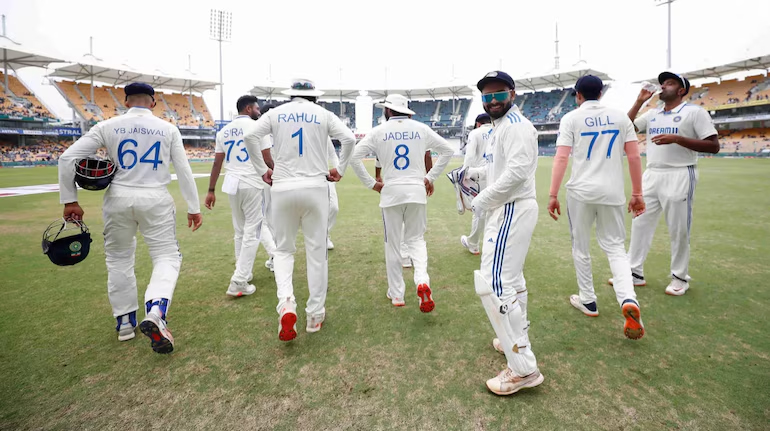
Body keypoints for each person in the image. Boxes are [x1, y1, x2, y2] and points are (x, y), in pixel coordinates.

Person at [57, 82, 202, 354]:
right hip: (155, 198)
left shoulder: (107, 125)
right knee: (166, 256)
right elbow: (183, 170)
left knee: (119, 258)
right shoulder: (168, 129)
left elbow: (66, 158)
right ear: (153, 102)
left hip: (118, 197)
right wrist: (194, 207)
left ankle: (125, 323)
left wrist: (70, 200)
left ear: (125, 102)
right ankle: (156, 311)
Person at [243, 78, 356, 341]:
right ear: (315, 96)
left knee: (283, 250)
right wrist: (340, 169)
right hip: (316, 187)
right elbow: (349, 139)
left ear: (290, 95)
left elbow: (250, 136)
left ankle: (286, 303)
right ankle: (315, 315)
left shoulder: (276, 113)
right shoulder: (323, 113)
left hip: (282, 187)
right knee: (317, 253)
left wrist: (262, 170)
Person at [547, 75, 646, 340]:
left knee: (580, 246)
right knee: (615, 247)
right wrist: (637, 193)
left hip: (580, 192)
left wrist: (553, 194)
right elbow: (634, 156)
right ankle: (628, 298)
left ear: (578, 95)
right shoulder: (620, 117)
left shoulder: (571, 118)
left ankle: (588, 300)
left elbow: (561, 158)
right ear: (601, 93)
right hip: (612, 192)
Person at [470, 71, 543, 395]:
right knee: (512, 281)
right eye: (487, 96)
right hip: (508, 207)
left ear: (512, 94)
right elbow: (499, 169)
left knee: (494, 283)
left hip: (512, 207)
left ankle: (523, 367)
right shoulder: (499, 127)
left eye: (499, 93)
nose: (493, 100)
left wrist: (481, 200)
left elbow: (517, 173)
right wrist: (471, 175)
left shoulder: (515, 126)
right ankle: (514, 340)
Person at [619, 71, 720, 296]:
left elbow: (714, 146)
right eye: (662, 83)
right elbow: (626, 128)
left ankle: (679, 277)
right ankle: (634, 272)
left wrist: (677, 139)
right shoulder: (652, 113)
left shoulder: (694, 112)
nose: (663, 86)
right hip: (652, 173)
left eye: (670, 83)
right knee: (640, 222)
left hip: (680, 172)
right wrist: (639, 101)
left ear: (681, 90)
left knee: (678, 228)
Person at [350, 94, 453, 311]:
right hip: (416, 191)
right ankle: (422, 280)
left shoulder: (378, 131)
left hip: (391, 193)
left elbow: (354, 157)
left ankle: (397, 294)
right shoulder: (421, 128)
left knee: (393, 244)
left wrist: (372, 184)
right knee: (416, 240)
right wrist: (430, 177)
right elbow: (447, 150)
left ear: (388, 110)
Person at [205, 95, 277, 297]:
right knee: (253, 231)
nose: (259, 112)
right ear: (248, 109)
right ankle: (239, 280)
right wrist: (280, 175)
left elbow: (217, 163)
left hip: (232, 183)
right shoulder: (258, 127)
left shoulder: (224, 131)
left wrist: (211, 190)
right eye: (257, 108)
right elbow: (267, 158)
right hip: (252, 182)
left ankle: (243, 271)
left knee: (240, 231)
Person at [375, 147, 434, 268]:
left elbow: (379, 155)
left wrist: (377, 175)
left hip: (393, 185)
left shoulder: (385, 135)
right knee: (415, 229)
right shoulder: (419, 134)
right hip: (414, 185)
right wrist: (430, 178)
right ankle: (417, 264)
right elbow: (427, 154)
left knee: (398, 222)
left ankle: (404, 256)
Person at [460, 113, 493, 255]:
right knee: (496, 210)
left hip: (480, 176)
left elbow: (470, 156)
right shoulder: (498, 130)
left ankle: (473, 244)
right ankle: (494, 243)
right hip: (498, 174)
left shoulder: (475, 133)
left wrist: (464, 174)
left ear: (478, 123)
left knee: (479, 210)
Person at [327, 138, 340, 250]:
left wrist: (338, 170)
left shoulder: (324, 136)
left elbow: (333, 155)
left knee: (334, 207)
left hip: (325, 176)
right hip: (307, 177)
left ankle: (325, 234)